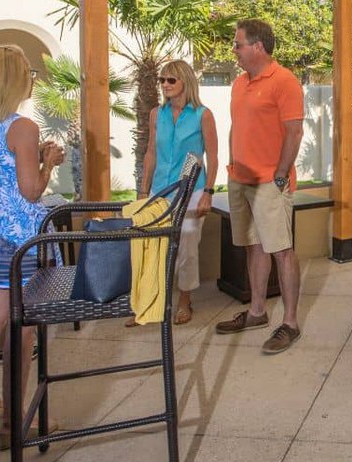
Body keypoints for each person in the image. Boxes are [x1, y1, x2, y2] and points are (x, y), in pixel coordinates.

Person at [0, 45, 64, 449]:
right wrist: (48, 161)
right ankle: (14, 422)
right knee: (21, 326)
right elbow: (31, 191)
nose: (31, 80)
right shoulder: (22, 128)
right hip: (21, 239)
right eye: (28, 73)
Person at [214, 20, 307, 355]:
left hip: (270, 181)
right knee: (254, 247)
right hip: (240, 179)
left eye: (238, 44)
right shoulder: (239, 83)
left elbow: (294, 132)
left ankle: (291, 323)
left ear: (258, 47)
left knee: (281, 251)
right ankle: (257, 312)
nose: (234, 50)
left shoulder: (284, 81)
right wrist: (232, 164)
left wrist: (280, 174)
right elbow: (236, 127)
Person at [132, 59, 218, 327]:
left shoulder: (203, 115)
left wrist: (208, 192)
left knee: (187, 248)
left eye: (171, 80)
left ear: (185, 81)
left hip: (191, 191)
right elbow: (151, 152)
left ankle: (184, 300)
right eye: (162, 80)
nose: (165, 85)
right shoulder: (156, 114)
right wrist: (143, 190)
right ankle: (149, 303)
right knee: (153, 246)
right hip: (159, 190)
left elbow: (212, 157)